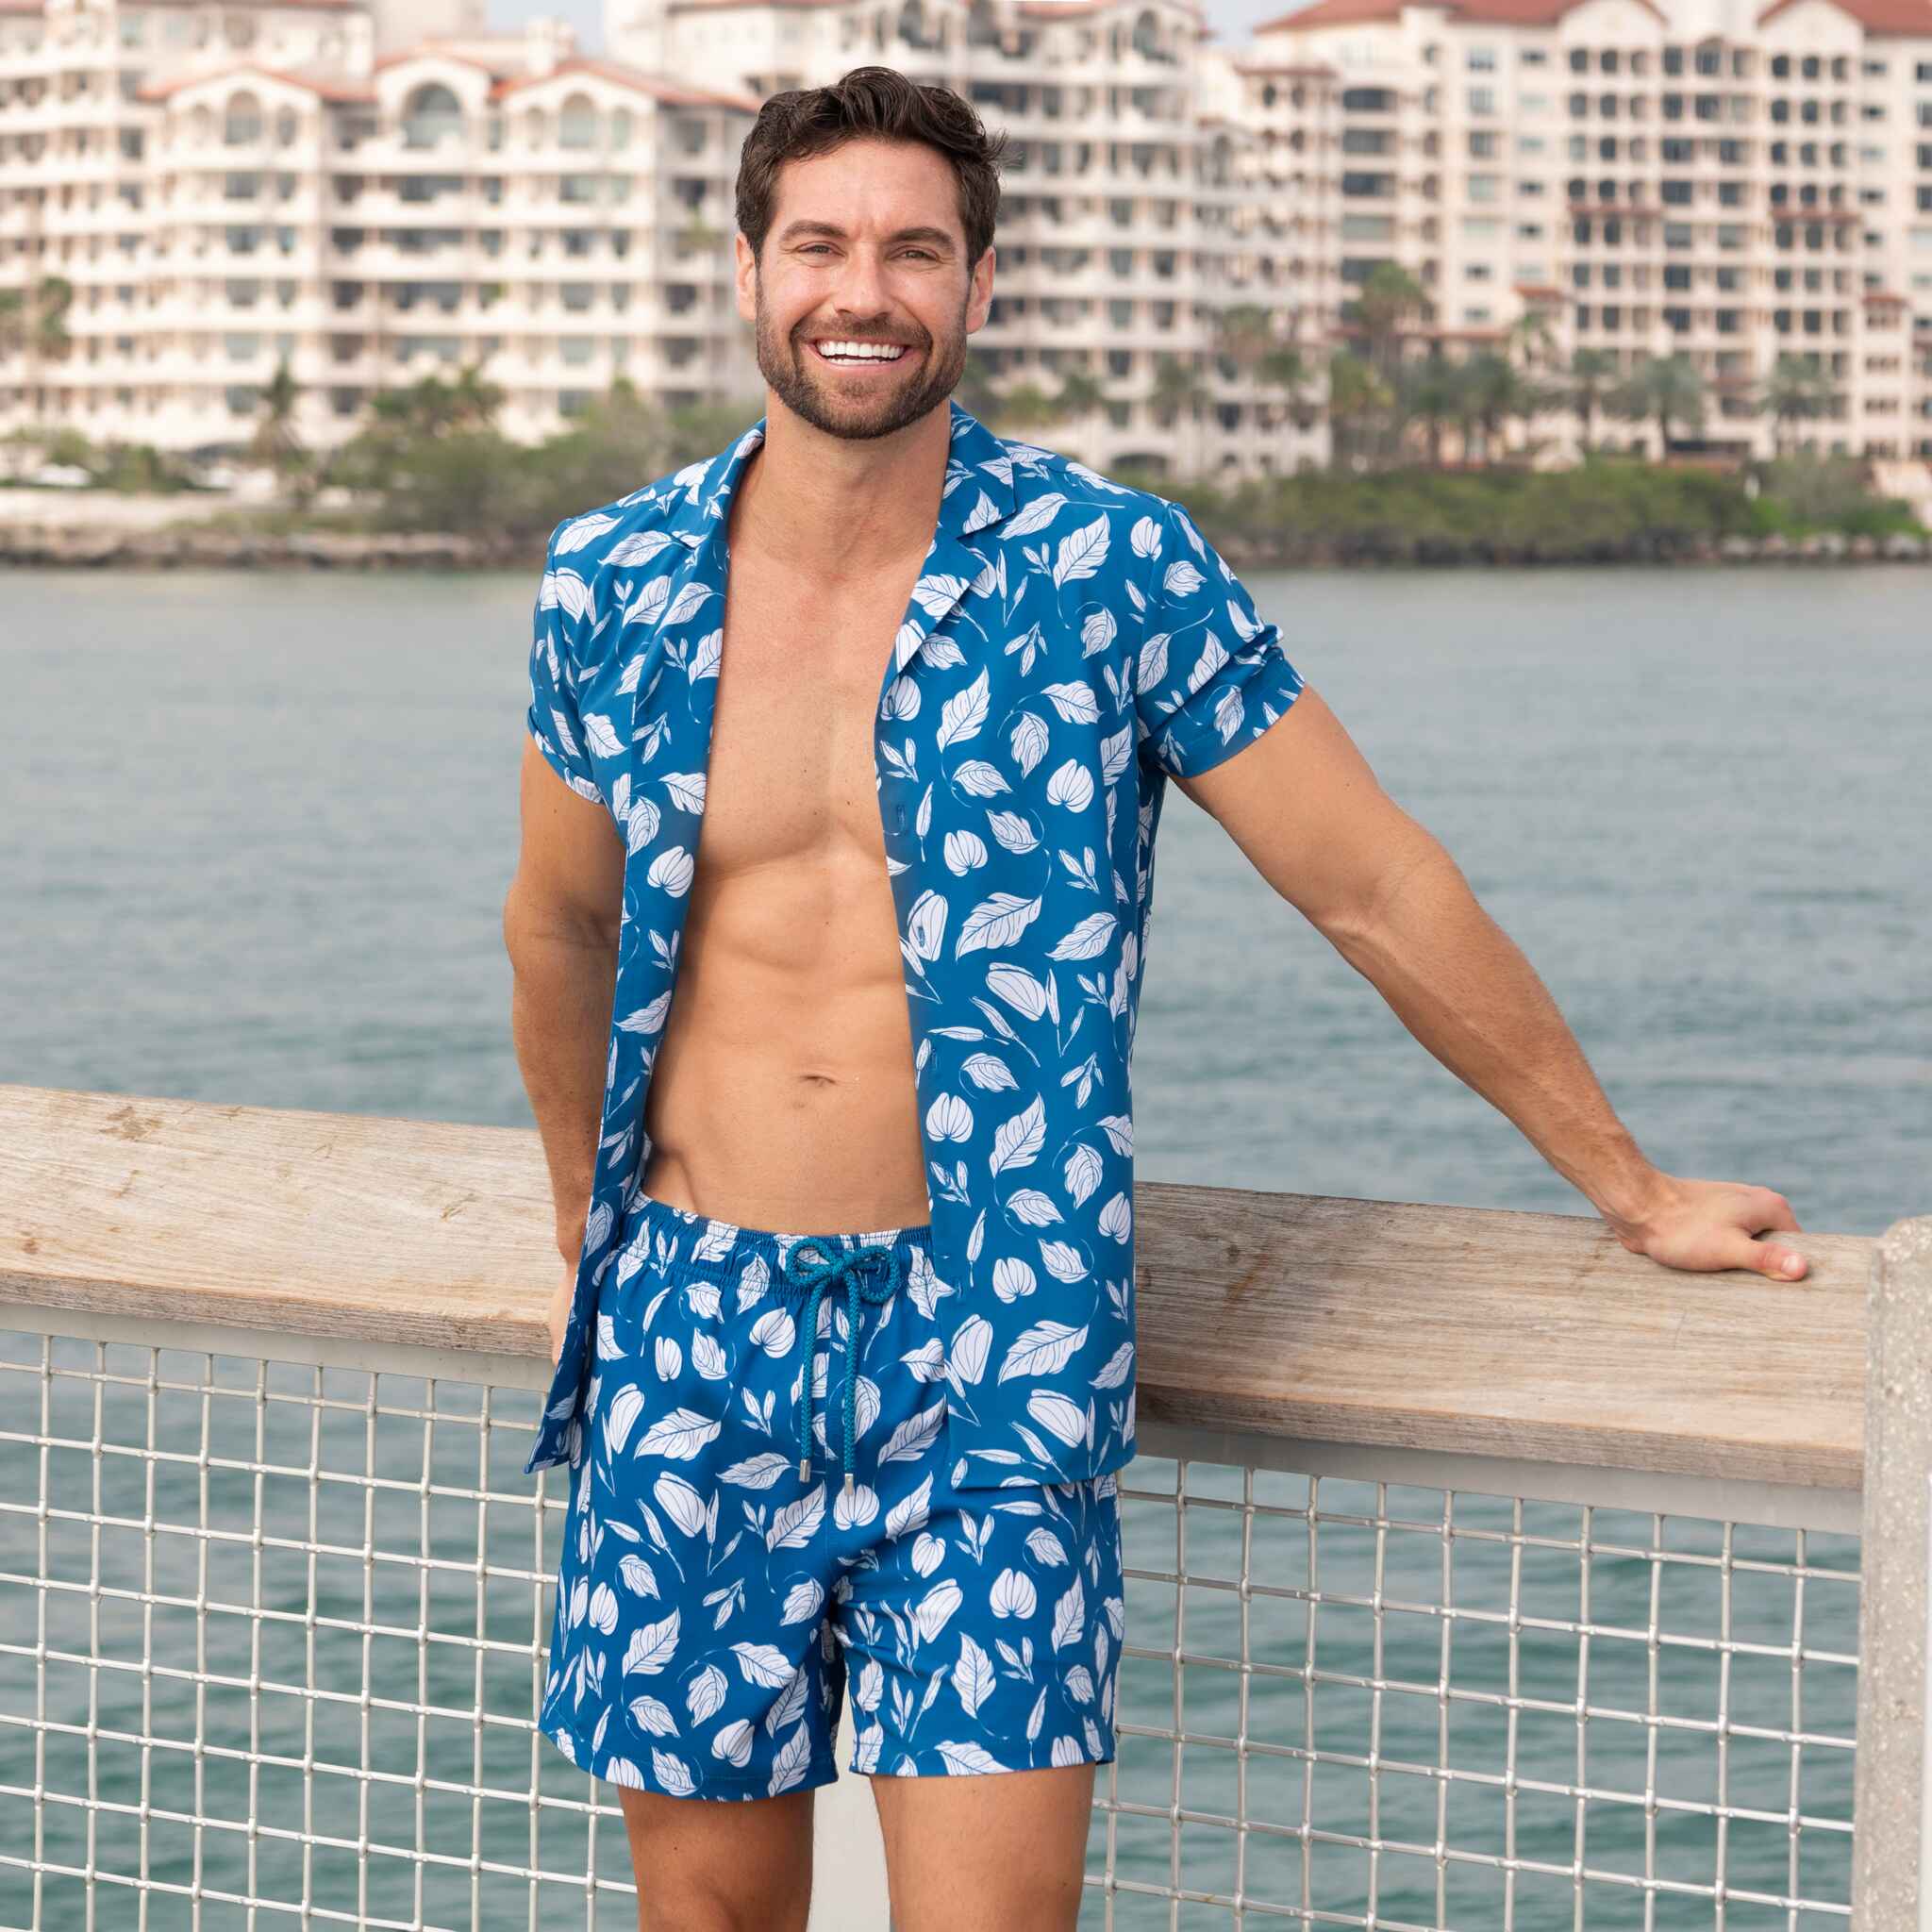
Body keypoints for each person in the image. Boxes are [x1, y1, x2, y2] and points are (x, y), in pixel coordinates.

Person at [501, 63, 1808, 1932]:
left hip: (996, 1341)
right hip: (691, 1332)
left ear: (978, 282)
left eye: (913, 249)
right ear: (743, 267)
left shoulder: (1112, 571)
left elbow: (1369, 882)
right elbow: (554, 925)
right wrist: (582, 1206)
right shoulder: (611, 581)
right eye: (820, 244)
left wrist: (1632, 1186)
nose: (861, 289)